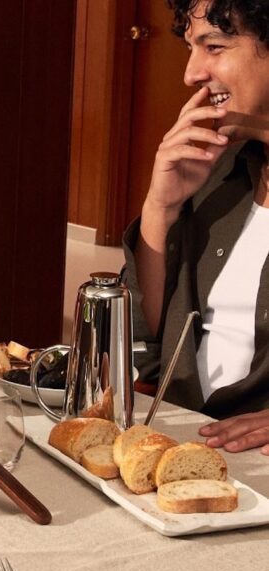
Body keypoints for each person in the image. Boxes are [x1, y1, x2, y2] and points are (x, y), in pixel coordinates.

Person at [123, 0, 269, 454]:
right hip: (177, 441)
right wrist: (159, 208)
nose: (191, 73)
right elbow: (143, 348)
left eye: (214, 46)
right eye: (191, 47)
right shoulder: (216, 166)